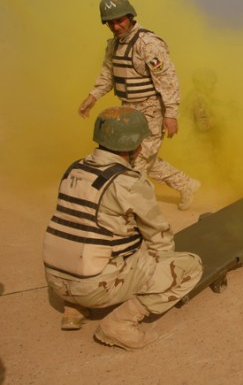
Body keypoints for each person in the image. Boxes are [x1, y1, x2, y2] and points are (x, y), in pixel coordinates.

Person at [43, 107, 203, 350]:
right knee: (190, 265)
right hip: (93, 288)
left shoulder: (74, 169)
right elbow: (158, 237)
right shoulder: (128, 182)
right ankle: (119, 324)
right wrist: (161, 266)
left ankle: (73, 307)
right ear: (135, 145)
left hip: (56, 282)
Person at [77, 0, 200, 210]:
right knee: (141, 159)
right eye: (110, 22)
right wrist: (93, 96)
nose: (115, 26)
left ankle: (137, 212)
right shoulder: (115, 45)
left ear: (130, 16)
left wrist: (170, 114)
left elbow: (168, 80)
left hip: (152, 110)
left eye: (120, 20)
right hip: (128, 110)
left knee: (137, 162)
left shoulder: (148, 44)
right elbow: (108, 74)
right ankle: (186, 184)